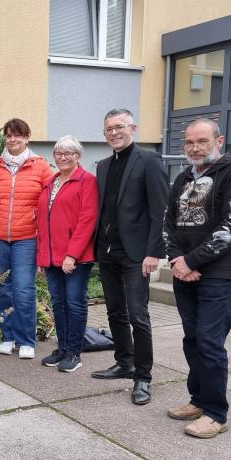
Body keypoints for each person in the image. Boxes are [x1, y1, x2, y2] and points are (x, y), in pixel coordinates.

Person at [163, 118, 231, 439]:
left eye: (201, 141)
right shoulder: (183, 177)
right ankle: (198, 399)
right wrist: (176, 260)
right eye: (189, 142)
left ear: (219, 141)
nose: (194, 148)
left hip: (218, 273)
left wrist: (191, 260)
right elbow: (167, 222)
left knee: (211, 342)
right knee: (192, 339)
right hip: (184, 271)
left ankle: (216, 413)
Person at [92, 108, 168, 406]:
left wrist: (154, 252)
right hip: (108, 251)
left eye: (119, 127)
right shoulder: (103, 166)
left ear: (133, 128)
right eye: (109, 128)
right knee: (115, 313)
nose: (114, 132)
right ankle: (125, 362)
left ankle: (144, 377)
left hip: (137, 254)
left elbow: (160, 211)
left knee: (139, 315)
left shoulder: (149, 161)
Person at [0, 119, 53, 360]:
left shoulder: (41, 167)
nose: (13, 140)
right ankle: (7, 336)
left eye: (18, 135)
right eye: (9, 135)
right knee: (3, 289)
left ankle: (26, 340)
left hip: (27, 239)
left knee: (23, 289)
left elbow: (48, 204)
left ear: (27, 137)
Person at [37, 135, 99, 373]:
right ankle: (62, 348)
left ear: (78, 156)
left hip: (75, 257)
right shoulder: (51, 181)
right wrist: (42, 257)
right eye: (58, 153)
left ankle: (74, 352)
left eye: (68, 153)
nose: (62, 157)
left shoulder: (87, 181)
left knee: (75, 303)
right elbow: (43, 221)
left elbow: (87, 220)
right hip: (52, 257)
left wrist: (72, 255)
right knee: (59, 303)